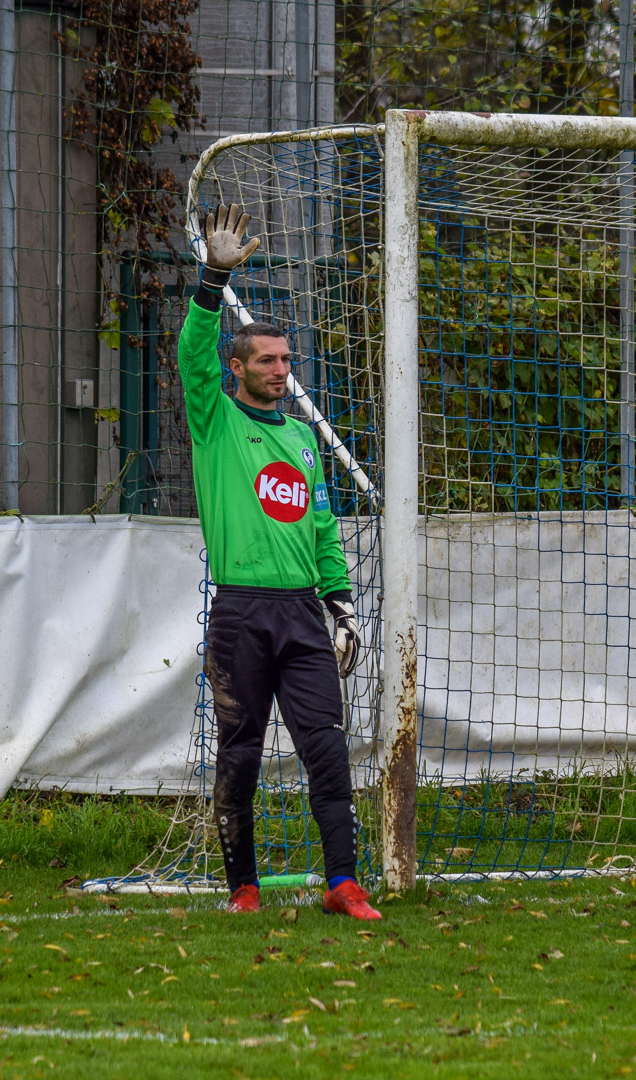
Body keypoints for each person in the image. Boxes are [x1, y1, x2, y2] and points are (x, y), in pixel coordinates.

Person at [178, 204, 380, 920]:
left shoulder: (301, 438)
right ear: (236, 368)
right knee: (239, 754)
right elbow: (191, 355)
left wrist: (341, 602)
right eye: (266, 360)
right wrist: (214, 278)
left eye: (287, 360)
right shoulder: (215, 420)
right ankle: (244, 890)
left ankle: (343, 883)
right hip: (241, 613)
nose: (279, 370)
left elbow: (322, 527)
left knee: (327, 746)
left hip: (302, 614)